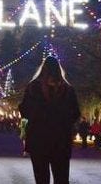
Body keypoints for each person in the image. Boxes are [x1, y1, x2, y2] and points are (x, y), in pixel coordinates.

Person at [19, 56, 81, 184]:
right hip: (61, 140)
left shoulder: (33, 87)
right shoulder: (67, 89)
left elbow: (24, 112)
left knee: (41, 177)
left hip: (38, 139)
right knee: (61, 177)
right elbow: (76, 113)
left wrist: (25, 132)